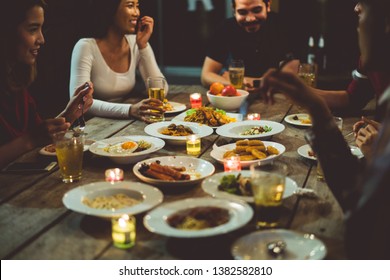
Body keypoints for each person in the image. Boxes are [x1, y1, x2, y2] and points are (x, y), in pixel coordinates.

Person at [261, 0, 390, 259]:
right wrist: (311, 101)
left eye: (366, 5)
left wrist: (379, 155)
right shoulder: (374, 65)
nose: (355, 8)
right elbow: (355, 194)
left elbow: (365, 218)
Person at [0, 0, 94, 169]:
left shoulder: (15, 84)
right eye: (32, 29)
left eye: (41, 29)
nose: (42, 39)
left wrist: (68, 115)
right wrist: (30, 140)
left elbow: (38, 135)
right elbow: (31, 139)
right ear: (6, 31)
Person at [69, 0, 166, 122]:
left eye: (137, 6)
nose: (137, 13)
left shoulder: (135, 42)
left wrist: (143, 46)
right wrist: (129, 110)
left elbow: (161, 89)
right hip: (92, 125)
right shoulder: (86, 46)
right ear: (111, 9)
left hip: (122, 123)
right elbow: (79, 103)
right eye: (130, 6)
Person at [200, 0, 297, 94]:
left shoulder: (284, 26)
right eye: (242, 12)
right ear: (234, 10)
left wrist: (247, 81)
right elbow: (206, 76)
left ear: (268, 5)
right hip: (237, 97)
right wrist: (235, 85)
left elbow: (293, 78)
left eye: (257, 10)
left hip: (277, 98)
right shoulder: (225, 28)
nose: (250, 18)